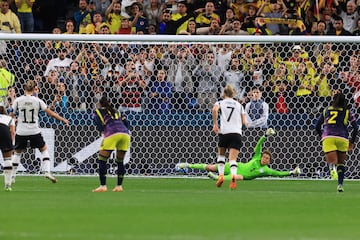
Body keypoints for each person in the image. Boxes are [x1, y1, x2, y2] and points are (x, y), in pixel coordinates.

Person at [176, 128, 301, 181]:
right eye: (264, 156)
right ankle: (187, 165)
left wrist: (291, 172)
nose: (264, 159)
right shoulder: (256, 157)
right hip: (235, 166)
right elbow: (258, 146)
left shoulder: (267, 170)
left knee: (238, 178)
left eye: (267, 158)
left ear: (269, 161)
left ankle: (217, 178)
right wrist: (265, 136)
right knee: (210, 167)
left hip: (240, 175)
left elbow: (279, 174)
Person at [11, 80, 69, 185]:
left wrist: (13, 121)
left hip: (21, 131)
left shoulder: (18, 100)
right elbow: (51, 113)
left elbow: (11, 115)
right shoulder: (38, 101)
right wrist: (63, 119)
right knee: (44, 150)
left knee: (17, 153)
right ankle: (47, 171)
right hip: (34, 130)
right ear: (34, 89)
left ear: (24, 88)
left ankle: (12, 177)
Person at [315, 91, 358, 192]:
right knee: (341, 163)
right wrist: (352, 141)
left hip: (328, 136)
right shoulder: (347, 112)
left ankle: (331, 166)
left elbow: (316, 126)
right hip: (342, 138)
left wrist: (322, 135)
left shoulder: (326, 110)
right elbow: (356, 128)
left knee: (332, 160)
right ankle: (340, 184)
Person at [212, 84, 248, 189]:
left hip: (224, 132)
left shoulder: (220, 102)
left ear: (224, 94)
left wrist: (215, 124)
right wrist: (244, 123)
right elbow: (244, 121)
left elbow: (214, 110)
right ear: (233, 94)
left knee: (221, 155)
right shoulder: (239, 105)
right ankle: (233, 177)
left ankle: (221, 176)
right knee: (232, 159)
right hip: (236, 133)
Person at [92, 95, 131, 192]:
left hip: (112, 133)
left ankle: (103, 186)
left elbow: (99, 125)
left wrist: (104, 133)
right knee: (120, 161)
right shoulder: (117, 111)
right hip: (125, 134)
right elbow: (127, 123)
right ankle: (119, 186)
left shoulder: (97, 112)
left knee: (102, 160)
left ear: (99, 104)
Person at [0, 104, 14, 191]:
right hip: (4, 131)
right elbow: (12, 132)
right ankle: (7, 185)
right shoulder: (9, 118)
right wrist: (11, 145)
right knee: (7, 159)